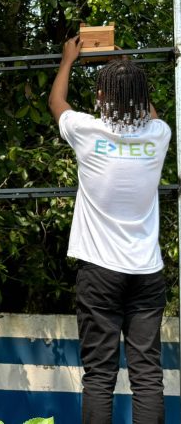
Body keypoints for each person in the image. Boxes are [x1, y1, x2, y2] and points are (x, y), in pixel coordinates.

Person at [48, 37, 170, 424]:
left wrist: (68, 60)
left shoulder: (87, 131)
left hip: (100, 273)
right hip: (147, 273)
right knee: (148, 375)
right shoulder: (159, 135)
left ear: (101, 97)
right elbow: (147, 112)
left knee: (99, 377)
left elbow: (57, 104)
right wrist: (126, 66)